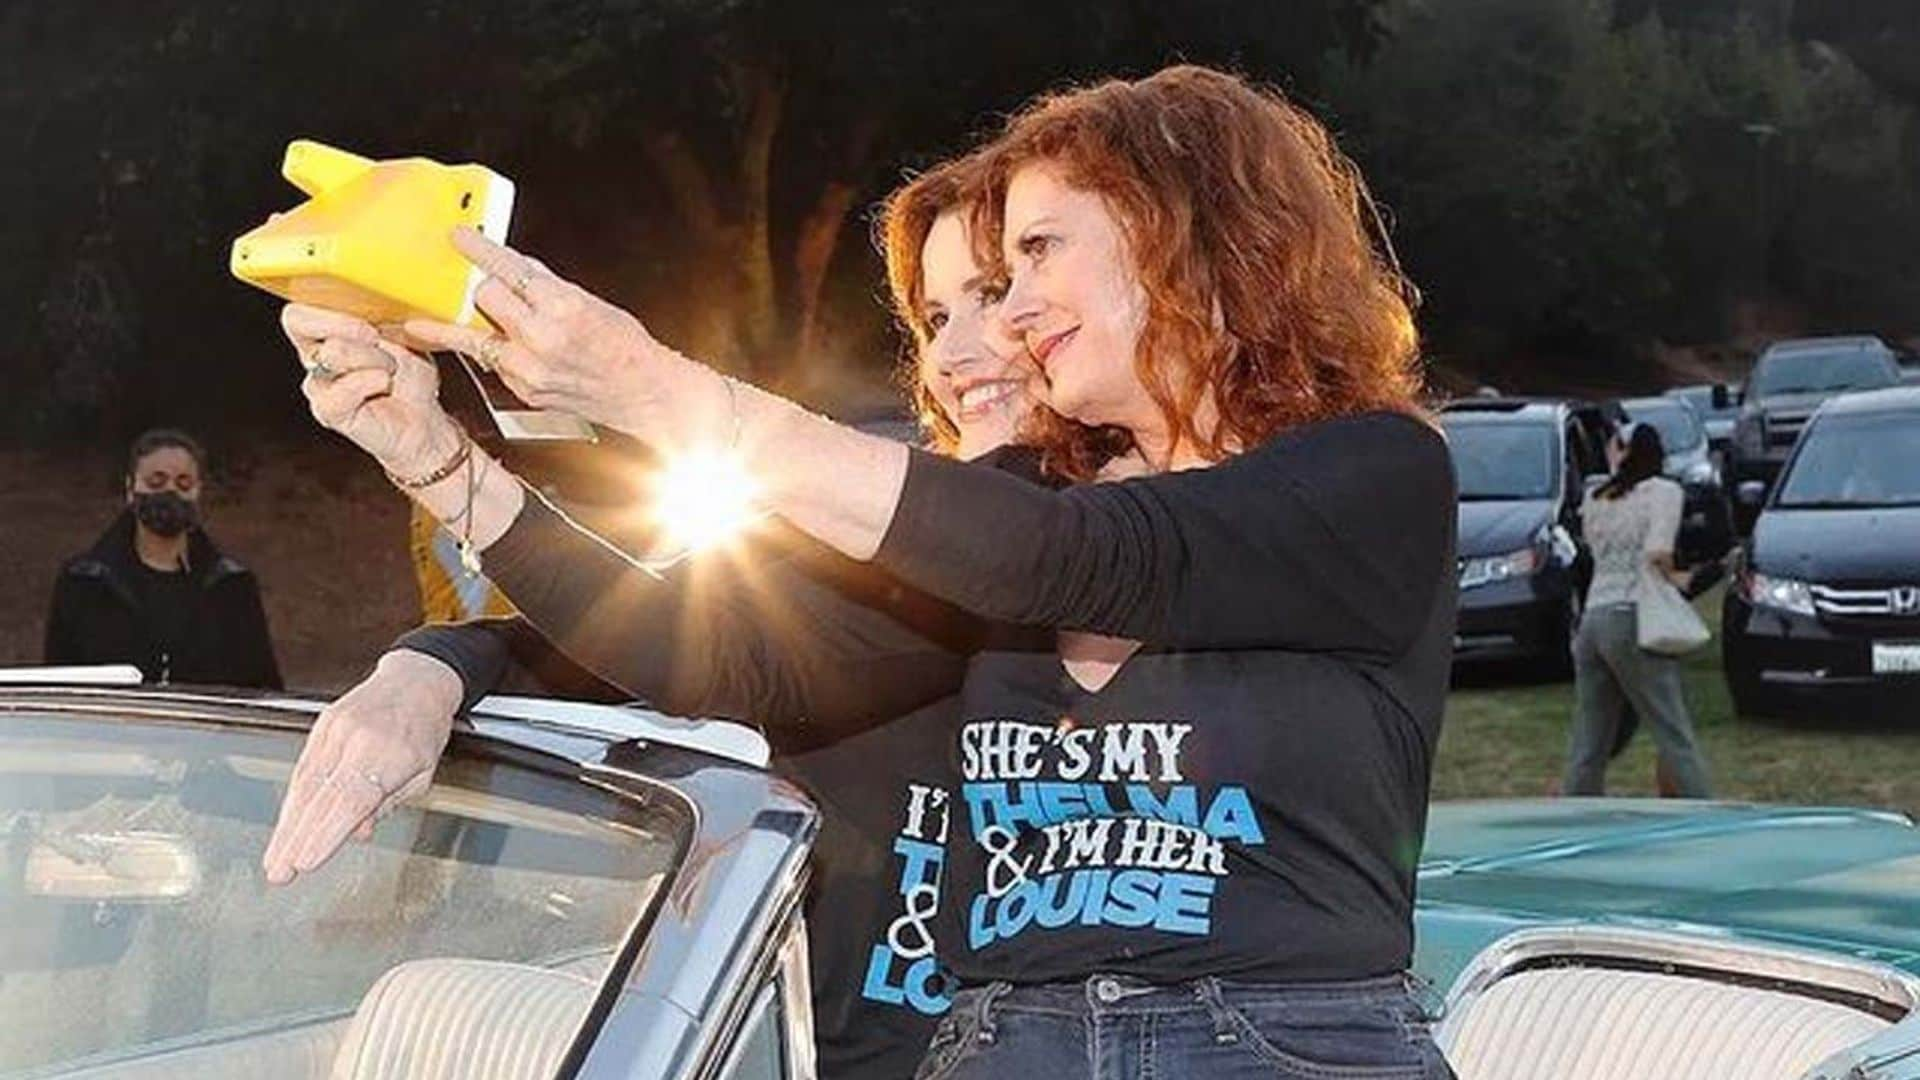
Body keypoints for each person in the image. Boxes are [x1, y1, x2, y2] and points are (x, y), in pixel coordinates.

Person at [285, 65, 1457, 1077]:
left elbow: (1090, 563)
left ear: (1183, 233)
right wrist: (435, 459)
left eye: (1037, 255)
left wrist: (649, 385)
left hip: (1282, 1046)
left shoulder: (1371, 475)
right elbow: (718, 649)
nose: (1013, 316)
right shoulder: (1016, 502)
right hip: (1000, 1044)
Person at [267, 156, 1079, 1080]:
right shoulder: (873, 546)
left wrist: (473, 455)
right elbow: (645, 632)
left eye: (998, 293)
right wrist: (428, 667)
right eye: (936, 318)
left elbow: (702, 649)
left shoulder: (1172, 545)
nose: (956, 352)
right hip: (792, 1050)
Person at [45, 428, 282, 689]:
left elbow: (262, 687)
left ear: (198, 492)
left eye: (183, 483)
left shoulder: (232, 587)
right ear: (130, 488)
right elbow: (59, 686)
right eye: (156, 482)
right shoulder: (83, 583)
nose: (170, 491)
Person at [1561, 422, 1712, 797]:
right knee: (1672, 729)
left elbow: (1593, 551)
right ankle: (1702, 809)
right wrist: (1680, 579)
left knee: (1589, 738)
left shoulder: (1596, 497)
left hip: (1593, 618)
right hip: (1632, 614)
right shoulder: (1664, 493)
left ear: (1623, 452)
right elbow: (1657, 552)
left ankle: (1575, 813)